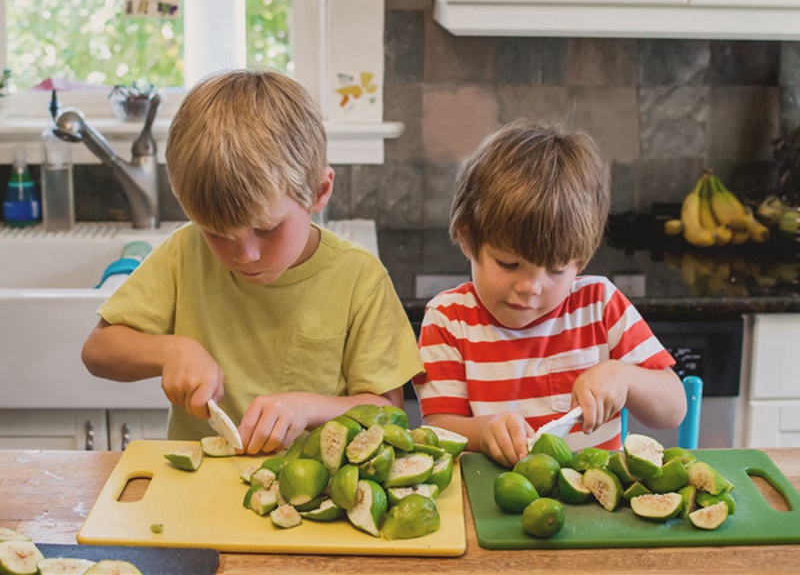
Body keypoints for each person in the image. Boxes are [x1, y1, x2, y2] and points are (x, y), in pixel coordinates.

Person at [82, 69, 423, 455]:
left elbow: (388, 411)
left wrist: (309, 407)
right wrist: (169, 351)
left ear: (319, 192)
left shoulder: (360, 278)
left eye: (267, 229)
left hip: (317, 498)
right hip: (199, 487)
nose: (244, 256)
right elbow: (98, 351)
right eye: (217, 234)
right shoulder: (184, 252)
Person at [413, 119, 686, 468]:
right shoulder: (448, 319)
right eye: (509, 263)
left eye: (557, 270)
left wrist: (624, 376)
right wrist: (485, 431)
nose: (530, 286)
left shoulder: (599, 304)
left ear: (581, 260)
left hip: (594, 506)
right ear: (468, 240)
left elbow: (673, 409)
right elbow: (438, 429)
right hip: (491, 502)